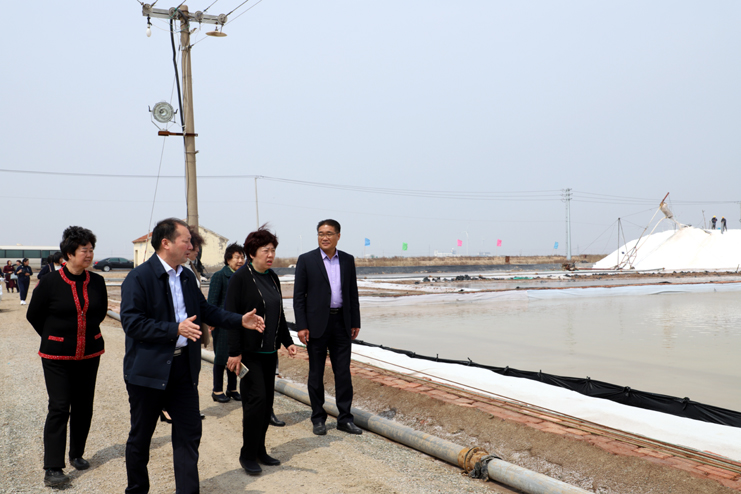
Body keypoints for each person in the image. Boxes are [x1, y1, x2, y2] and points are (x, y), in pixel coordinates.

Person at [120, 218, 264, 494]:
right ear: (166, 243)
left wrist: (239, 320)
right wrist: (175, 328)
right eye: (186, 240)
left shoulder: (186, 277)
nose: (190, 246)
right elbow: (132, 323)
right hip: (147, 370)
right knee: (141, 436)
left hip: (183, 368)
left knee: (189, 432)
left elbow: (207, 311)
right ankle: (136, 489)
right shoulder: (139, 278)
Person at [26, 226, 107, 487]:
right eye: (84, 250)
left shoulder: (97, 281)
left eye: (91, 249)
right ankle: (53, 467)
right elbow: (34, 315)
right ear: (69, 254)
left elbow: (100, 312)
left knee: (84, 405)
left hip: (90, 353)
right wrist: (55, 337)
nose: (89, 254)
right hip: (56, 357)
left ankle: (77, 453)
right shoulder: (50, 282)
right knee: (60, 406)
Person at [225, 226, 297, 475]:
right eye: (266, 250)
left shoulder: (273, 277)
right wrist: (234, 352)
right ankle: (247, 454)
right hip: (249, 353)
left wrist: (287, 340)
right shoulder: (240, 278)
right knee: (255, 402)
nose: (271, 255)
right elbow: (231, 317)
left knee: (267, 405)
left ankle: (260, 450)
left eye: (273, 250)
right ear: (252, 252)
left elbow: (279, 313)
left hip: (269, 353)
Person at [293, 219, 362, 436]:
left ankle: (345, 418)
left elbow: (352, 293)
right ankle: (318, 418)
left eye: (329, 233)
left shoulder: (348, 260)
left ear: (338, 236)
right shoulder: (306, 260)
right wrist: (302, 326)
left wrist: (355, 321)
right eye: (321, 233)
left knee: (343, 373)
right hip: (316, 326)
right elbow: (298, 297)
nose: (324, 237)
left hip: (342, 323)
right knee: (316, 373)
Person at [207, 242, 245, 403]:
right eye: (237, 257)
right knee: (221, 357)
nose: (240, 260)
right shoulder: (219, 276)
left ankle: (232, 388)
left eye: (242, 257)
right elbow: (212, 302)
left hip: (238, 323)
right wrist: (211, 321)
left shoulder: (243, 276)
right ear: (228, 259)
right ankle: (217, 390)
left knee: (234, 356)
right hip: (222, 324)